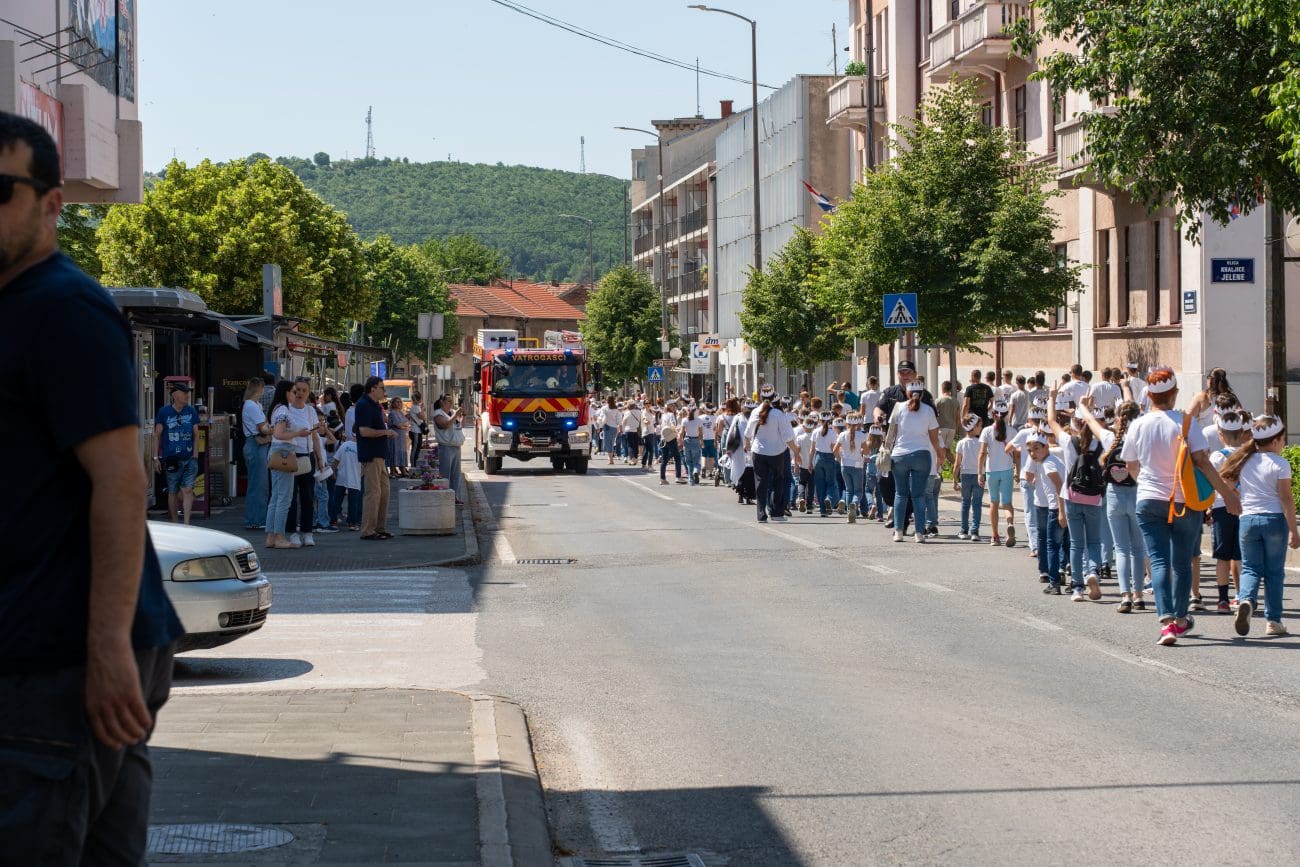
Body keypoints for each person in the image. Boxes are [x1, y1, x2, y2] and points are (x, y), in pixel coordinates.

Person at [0, 112, 182, 863]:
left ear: (51, 204)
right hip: (58, 655)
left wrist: (106, 644)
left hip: (59, 660)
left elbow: (119, 479)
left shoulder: (61, 310)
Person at [1120, 367, 1241, 646]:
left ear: (1149, 396)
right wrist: (1228, 495)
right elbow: (1203, 463)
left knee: (1159, 560)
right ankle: (1181, 618)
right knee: (1182, 562)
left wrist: (1146, 484)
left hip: (1149, 500)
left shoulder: (1138, 424)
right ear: (1174, 394)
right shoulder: (1186, 423)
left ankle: (1166, 621)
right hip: (1185, 500)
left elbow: (1130, 465)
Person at [1218, 415, 1299, 637]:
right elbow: (1286, 499)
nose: (1284, 444)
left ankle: (1246, 600)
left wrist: (1238, 497)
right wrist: (1294, 529)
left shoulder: (1244, 460)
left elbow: (1225, 482)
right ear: (1274, 441)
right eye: (1283, 440)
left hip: (1247, 520)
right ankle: (1273, 621)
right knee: (1274, 573)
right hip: (1273, 521)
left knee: (1251, 568)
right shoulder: (1280, 464)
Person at [887, 381, 945, 543]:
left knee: (900, 493)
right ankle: (919, 533)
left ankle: (898, 531)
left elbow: (891, 433)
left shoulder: (898, 407)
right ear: (923, 393)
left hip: (900, 456)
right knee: (919, 496)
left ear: (907, 392)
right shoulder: (928, 411)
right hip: (921, 455)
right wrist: (940, 455)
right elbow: (934, 439)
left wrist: (885, 450)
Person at [274, 378, 322, 548]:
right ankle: (292, 532)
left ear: (309, 393)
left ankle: (308, 531)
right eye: (297, 390)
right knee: (291, 496)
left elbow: (315, 436)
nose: (300, 393)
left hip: (307, 455)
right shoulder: (285, 410)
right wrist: (297, 433)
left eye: (303, 390)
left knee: (308, 495)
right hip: (291, 454)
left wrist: (320, 458)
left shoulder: (310, 411)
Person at [1208, 411, 1247, 612]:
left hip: (1221, 507)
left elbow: (1212, 483)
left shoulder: (1216, 456)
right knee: (1241, 556)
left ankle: (1223, 600)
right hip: (1244, 508)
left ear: (1221, 434)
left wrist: (1207, 507)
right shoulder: (1248, 455)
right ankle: (1242, 596)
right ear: (1241, 433)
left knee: (1222, 556)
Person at [745, 387, 796, 522]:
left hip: (758, 452)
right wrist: (796, 451)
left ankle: (761, 514)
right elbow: (787, 436)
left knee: (761, 482)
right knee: (777, 481)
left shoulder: (755, 412)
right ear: (774, 397)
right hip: (776, 452)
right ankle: (776, 512)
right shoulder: (778, 414)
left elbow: (747, 433)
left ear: (760, 398)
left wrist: (748, 447)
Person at [355, 376, 396, 540]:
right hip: (370, 454)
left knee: (384, 491)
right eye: (381, 388)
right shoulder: (364, 405)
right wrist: (386, 432)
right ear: (373, 388)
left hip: (379, 454)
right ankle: (368, 529)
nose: (384, 391)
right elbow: (364, 431)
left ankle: (379, 527)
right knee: (373, 493)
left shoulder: (375, 405)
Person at [1025, 432, 1067, 591]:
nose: (1032, 453)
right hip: (1055, 507)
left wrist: (1061, 511)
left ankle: (1054, 581)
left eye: (1036, 449)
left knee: (1052, 545)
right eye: (1029, 450)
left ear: (1046, 447)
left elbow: (1059, 486)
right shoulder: (1050, 461)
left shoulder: (1048, 463)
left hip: (1055, 508)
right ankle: (1057, 576)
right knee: (1056, 544)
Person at [154, 381, 201, 524]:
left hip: (188, 457)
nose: (187, 395)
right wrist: (156, 457)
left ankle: (186, 523)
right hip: (171, 458)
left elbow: (196, 434)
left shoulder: (191, 411)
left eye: (188, 392)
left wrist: (195, 454)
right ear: (175, 395)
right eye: (184, 392)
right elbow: (157, 435)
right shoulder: (164, 412)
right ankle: (175, 522)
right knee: (173, 490)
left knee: (187, 489)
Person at [979, 400, 1016, 546]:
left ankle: (995, 536)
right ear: (1007, 414)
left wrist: (979, 472)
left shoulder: (987, 431)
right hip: (1007, 469)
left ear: (993, 414)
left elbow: (982, 452)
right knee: (1007, 502)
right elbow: (1017, 454)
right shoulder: (1012, 431)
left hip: (991, 470)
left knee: (994, 502)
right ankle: (1009, 523)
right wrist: (1017, 470)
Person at [241, 377, 272, 530]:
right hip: (256, 446)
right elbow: (263, 427)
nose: (263, 391)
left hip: (254, 444)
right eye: (262, 388)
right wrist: (274, 431)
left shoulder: (252, 405)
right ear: (258, 388)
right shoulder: (252, 406)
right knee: (259, 485)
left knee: (258, 484)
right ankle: (256, 519)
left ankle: (256, 517)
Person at [953, 414, 985, 541]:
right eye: (980, 425)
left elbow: (957, 463)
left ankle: (963, 530)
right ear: (974, 427)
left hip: (965, 475)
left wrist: (955, 479)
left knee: (965, 503)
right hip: (979, 475)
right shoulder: (981, 443)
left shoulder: (961, 443)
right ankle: (975, 531)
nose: (981, 428)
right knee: (977, 504)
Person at [835, 414, 867, 522]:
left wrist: (840, 460)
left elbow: (835, 450)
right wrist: (862, 451)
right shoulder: (861, 435)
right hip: (857, 465)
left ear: (846, 423)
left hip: (845, 465)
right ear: (858, 423)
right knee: (858, 491)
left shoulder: (842, 434)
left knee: (849, 490)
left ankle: (850, 512)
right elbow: (867, 451)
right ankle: (854, 504)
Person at [432, 394, 464, 497]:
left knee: (456, 475)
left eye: (451, 401)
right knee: (446, 474)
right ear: (442, 402)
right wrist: (455, 416)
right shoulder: (438, 414)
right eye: (448, 401)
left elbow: (460, 426)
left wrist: (464, 416)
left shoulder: (452, 412)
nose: (451, 403)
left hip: (456, 446)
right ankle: (445, 496)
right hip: (446, 446)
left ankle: (454, 497)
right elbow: (444, 425)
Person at [387, 396, 411, 478]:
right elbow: (398, 424)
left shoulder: (401, 413)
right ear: (392, 403)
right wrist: (403, 425)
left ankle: (403, 470)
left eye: (400, 402)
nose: (399, 403)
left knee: (402, 452)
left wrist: (403, 426)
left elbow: (407, 423)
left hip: (401, 437)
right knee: (394, 452)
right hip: (394, 437)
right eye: (396, 402)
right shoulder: (392, 413)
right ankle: (393, 472)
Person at [935, 381, 960, 451]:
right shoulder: (956, 401)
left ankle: (956, 462)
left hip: (942, 427)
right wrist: (956, 429)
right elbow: (958, 417)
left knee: (939, 450)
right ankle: (957, 462)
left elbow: (934, 416)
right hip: (952, 428)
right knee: (947, 450)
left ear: (942, 389)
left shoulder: (938, 401)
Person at [407, 391, 427, 466]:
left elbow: (423, 417)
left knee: (418, 447)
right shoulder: (415, 407)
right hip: (415, 430)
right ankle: (413, 464)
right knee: (415, 448)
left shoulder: (417, 407)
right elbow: (423, 417)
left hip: (418, 430)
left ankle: (415, 463)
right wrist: (422, 409)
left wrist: (421, 408)